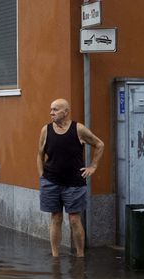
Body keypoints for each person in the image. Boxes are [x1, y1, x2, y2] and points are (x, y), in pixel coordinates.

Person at [37, 98, 104, 258]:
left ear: (66, 112)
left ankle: (80, 255)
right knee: (56, 217)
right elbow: (39, 154)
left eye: (55, 109)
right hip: (51, 181)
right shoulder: (45, 130)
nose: (51, 112)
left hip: (74, 183)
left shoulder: (78, 129)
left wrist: (93, 166)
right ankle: (55, 256)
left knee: (74, 219)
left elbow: (99, 144)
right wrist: (41, 175)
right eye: (51, 109)